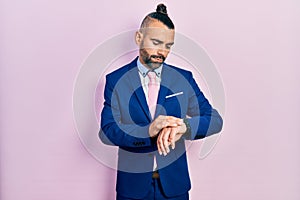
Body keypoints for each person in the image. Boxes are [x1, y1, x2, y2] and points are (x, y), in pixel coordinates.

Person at [99, 4, 223, 200]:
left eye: (168, 46)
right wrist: (148, 131)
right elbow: (107, 130)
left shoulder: (183, 79)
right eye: (156, 42)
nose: (162, 52)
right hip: (132, 188)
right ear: (139, 38)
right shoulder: (116, 80)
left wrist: (185, 127)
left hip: (174, 187)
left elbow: (214, 119)